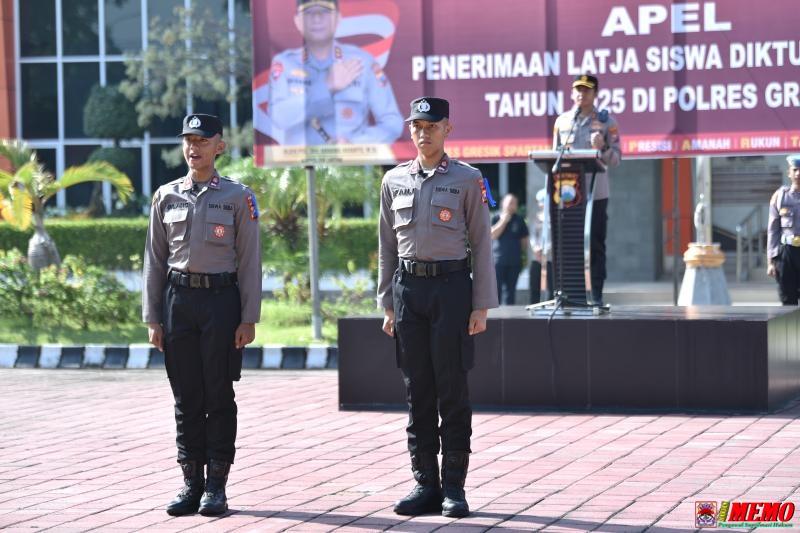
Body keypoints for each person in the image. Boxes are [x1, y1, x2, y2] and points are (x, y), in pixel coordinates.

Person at [378, 96, 498, 518]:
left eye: (431, 125)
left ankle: (454, 488)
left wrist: (480, 304)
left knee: (452, 389)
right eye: (416, 126)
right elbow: (386, 247)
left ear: (447, 129)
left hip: (451, 290)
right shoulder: (394, 180)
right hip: (408, 291)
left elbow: (482, 244)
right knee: (418, 391)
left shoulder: (467, 179)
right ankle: (424, 483)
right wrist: (387, 304)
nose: (422, 132)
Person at [142, 113, 262, 517]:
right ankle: (190, 482)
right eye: (188, 140)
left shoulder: (237, 197)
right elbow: (154, 261)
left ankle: (216, 486)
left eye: (202, 140)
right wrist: (153, 318)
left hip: (221, 303)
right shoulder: (166, 196)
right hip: (179, 302)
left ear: (220, 146)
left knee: (219, 393)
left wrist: (249, 318)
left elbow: (249, 262)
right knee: (186, 396)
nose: (193, 148)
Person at [266, 0, 403, 145]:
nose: (317, 19)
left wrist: (355, 144)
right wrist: (326, 86)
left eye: (324, 12)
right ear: (297, 21)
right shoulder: (285, 64)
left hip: (351, 164)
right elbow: (278, 118)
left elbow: (393, 122)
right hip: (300, 164)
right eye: (308, 13)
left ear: (338, 18)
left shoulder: (361, 62)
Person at [552, 73, 621, 305]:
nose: (582, 94)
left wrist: (602, 149)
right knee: (567, 243)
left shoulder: (608, 123)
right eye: (578, 90)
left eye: (587, 90)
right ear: (572, 93)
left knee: (595, 244)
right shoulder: (562, 122)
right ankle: (567, 294)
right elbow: (554, 158)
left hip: (596, 194)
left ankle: (597, 295)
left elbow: (616, 160)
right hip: (568, 195)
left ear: (595, 94)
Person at [767, 154, 800, 305]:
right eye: (795, 169)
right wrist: (771, 261)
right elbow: (773, 231)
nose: (798, 173)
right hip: (787, 253)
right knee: (788, 301)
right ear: (789, 173)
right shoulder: (780, 197)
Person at [491, 193, 529, 305]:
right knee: (495, 290)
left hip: (514, 261)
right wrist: (503, 221)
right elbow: (492, 235)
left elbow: (525, 242)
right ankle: (495, 316)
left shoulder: (519, 220)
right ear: (503, 204)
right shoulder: (495, 217)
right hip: (498, 261)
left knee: (510, 291)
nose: (512, 206)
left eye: (515, 203)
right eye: (510, 203)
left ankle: (508, 316)